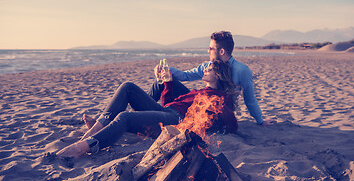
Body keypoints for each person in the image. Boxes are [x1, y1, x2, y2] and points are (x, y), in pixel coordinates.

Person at [57, 60, 238, 158]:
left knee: (125, 117)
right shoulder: (199, 91)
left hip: (175, 122)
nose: (205, 69)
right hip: (168, 112)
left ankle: (85, 146)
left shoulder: (221, 98)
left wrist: (223, 125)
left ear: (219, 75)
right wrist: (167, 83)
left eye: (210, 68)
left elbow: (232, 122)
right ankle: (96, 129)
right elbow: (167, 104)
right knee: (127, 87)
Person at [148, 31, 273, 126]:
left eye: (211, 48)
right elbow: (185, 75)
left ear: (222, 51)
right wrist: (165, 71)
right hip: (200, 102)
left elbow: (250, 99)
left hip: (216, 113)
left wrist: (260, 121)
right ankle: (144, 111)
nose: (208, 51)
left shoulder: (242, 70)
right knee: (160, 83)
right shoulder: (207, 66)